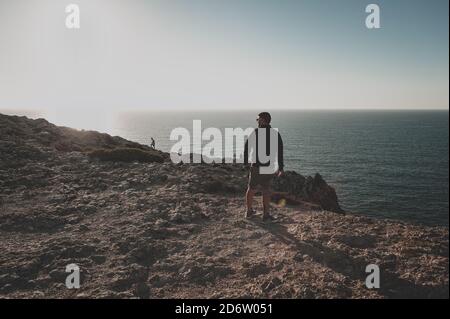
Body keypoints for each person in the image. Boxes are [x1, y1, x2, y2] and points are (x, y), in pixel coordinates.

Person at [244, 112, 284, 221]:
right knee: (266, 190)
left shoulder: (255, 132)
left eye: (258, 119)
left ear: (263, 120)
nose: (257, 121)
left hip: (256, 166)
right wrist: (281, 168)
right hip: (269, 167)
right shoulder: (275, 134)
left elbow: (247, 147)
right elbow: (280, 152)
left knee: (251, 189)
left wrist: (245, 163)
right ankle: (266, 215)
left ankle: (249, 212)